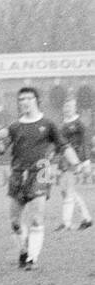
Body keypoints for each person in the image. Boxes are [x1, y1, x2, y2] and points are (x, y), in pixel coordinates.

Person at [0, 87, 80, 271]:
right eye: (21, 99)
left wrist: (77, 164)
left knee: (36, 218)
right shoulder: (15, 126)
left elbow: (64, 146)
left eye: (28, 98)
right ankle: (24, 251)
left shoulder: (48, 124)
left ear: (36, 100)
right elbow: (1, 151)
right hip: (18, 175)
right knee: (15, 222)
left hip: (41, 174)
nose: (24, 102)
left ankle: (32, 259)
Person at [54, 97, 92, 232]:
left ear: (75, 108)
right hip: (64, 161)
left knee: (68, 190)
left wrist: (87, 161)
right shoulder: (62, 124)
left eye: (69, 107)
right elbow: (60, 146)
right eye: (65, 107)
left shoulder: (79, 123)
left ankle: (66, 223)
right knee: (65, 191)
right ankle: (86, 219)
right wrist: (58, 164)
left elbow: (86, 142)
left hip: (76, 159)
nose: (67, 109)